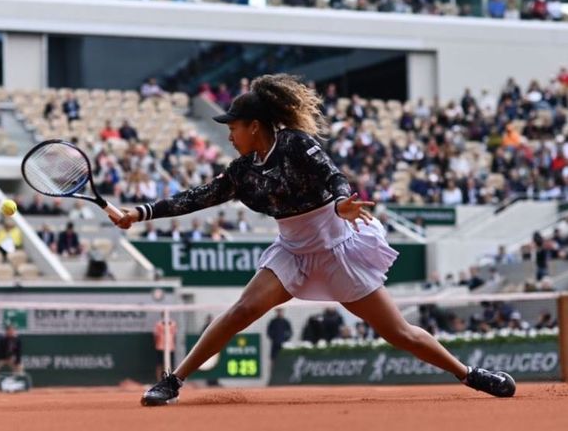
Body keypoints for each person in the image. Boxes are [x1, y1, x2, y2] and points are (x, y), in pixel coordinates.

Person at [112, 74, 516, 405]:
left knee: (399, 333)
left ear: (255, 126)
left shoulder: (297, 144)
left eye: (233, 127)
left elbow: (334, 177)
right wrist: (138, 213)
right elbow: (195, 198)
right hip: (291, 252)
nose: (230, 135)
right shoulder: (242, 170)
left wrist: (342, 203)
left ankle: (468, 374)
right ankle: (175, 380)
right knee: (241, 311)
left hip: (336, 250)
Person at [153, 317, 177, 382]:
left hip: (170, 348)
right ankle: (159, 381)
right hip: (160, 347)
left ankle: (169, 380)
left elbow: (174, 335)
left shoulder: (173, 324)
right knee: (159, 364)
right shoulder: (158, 324)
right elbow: (155, 336)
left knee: (170, 365)